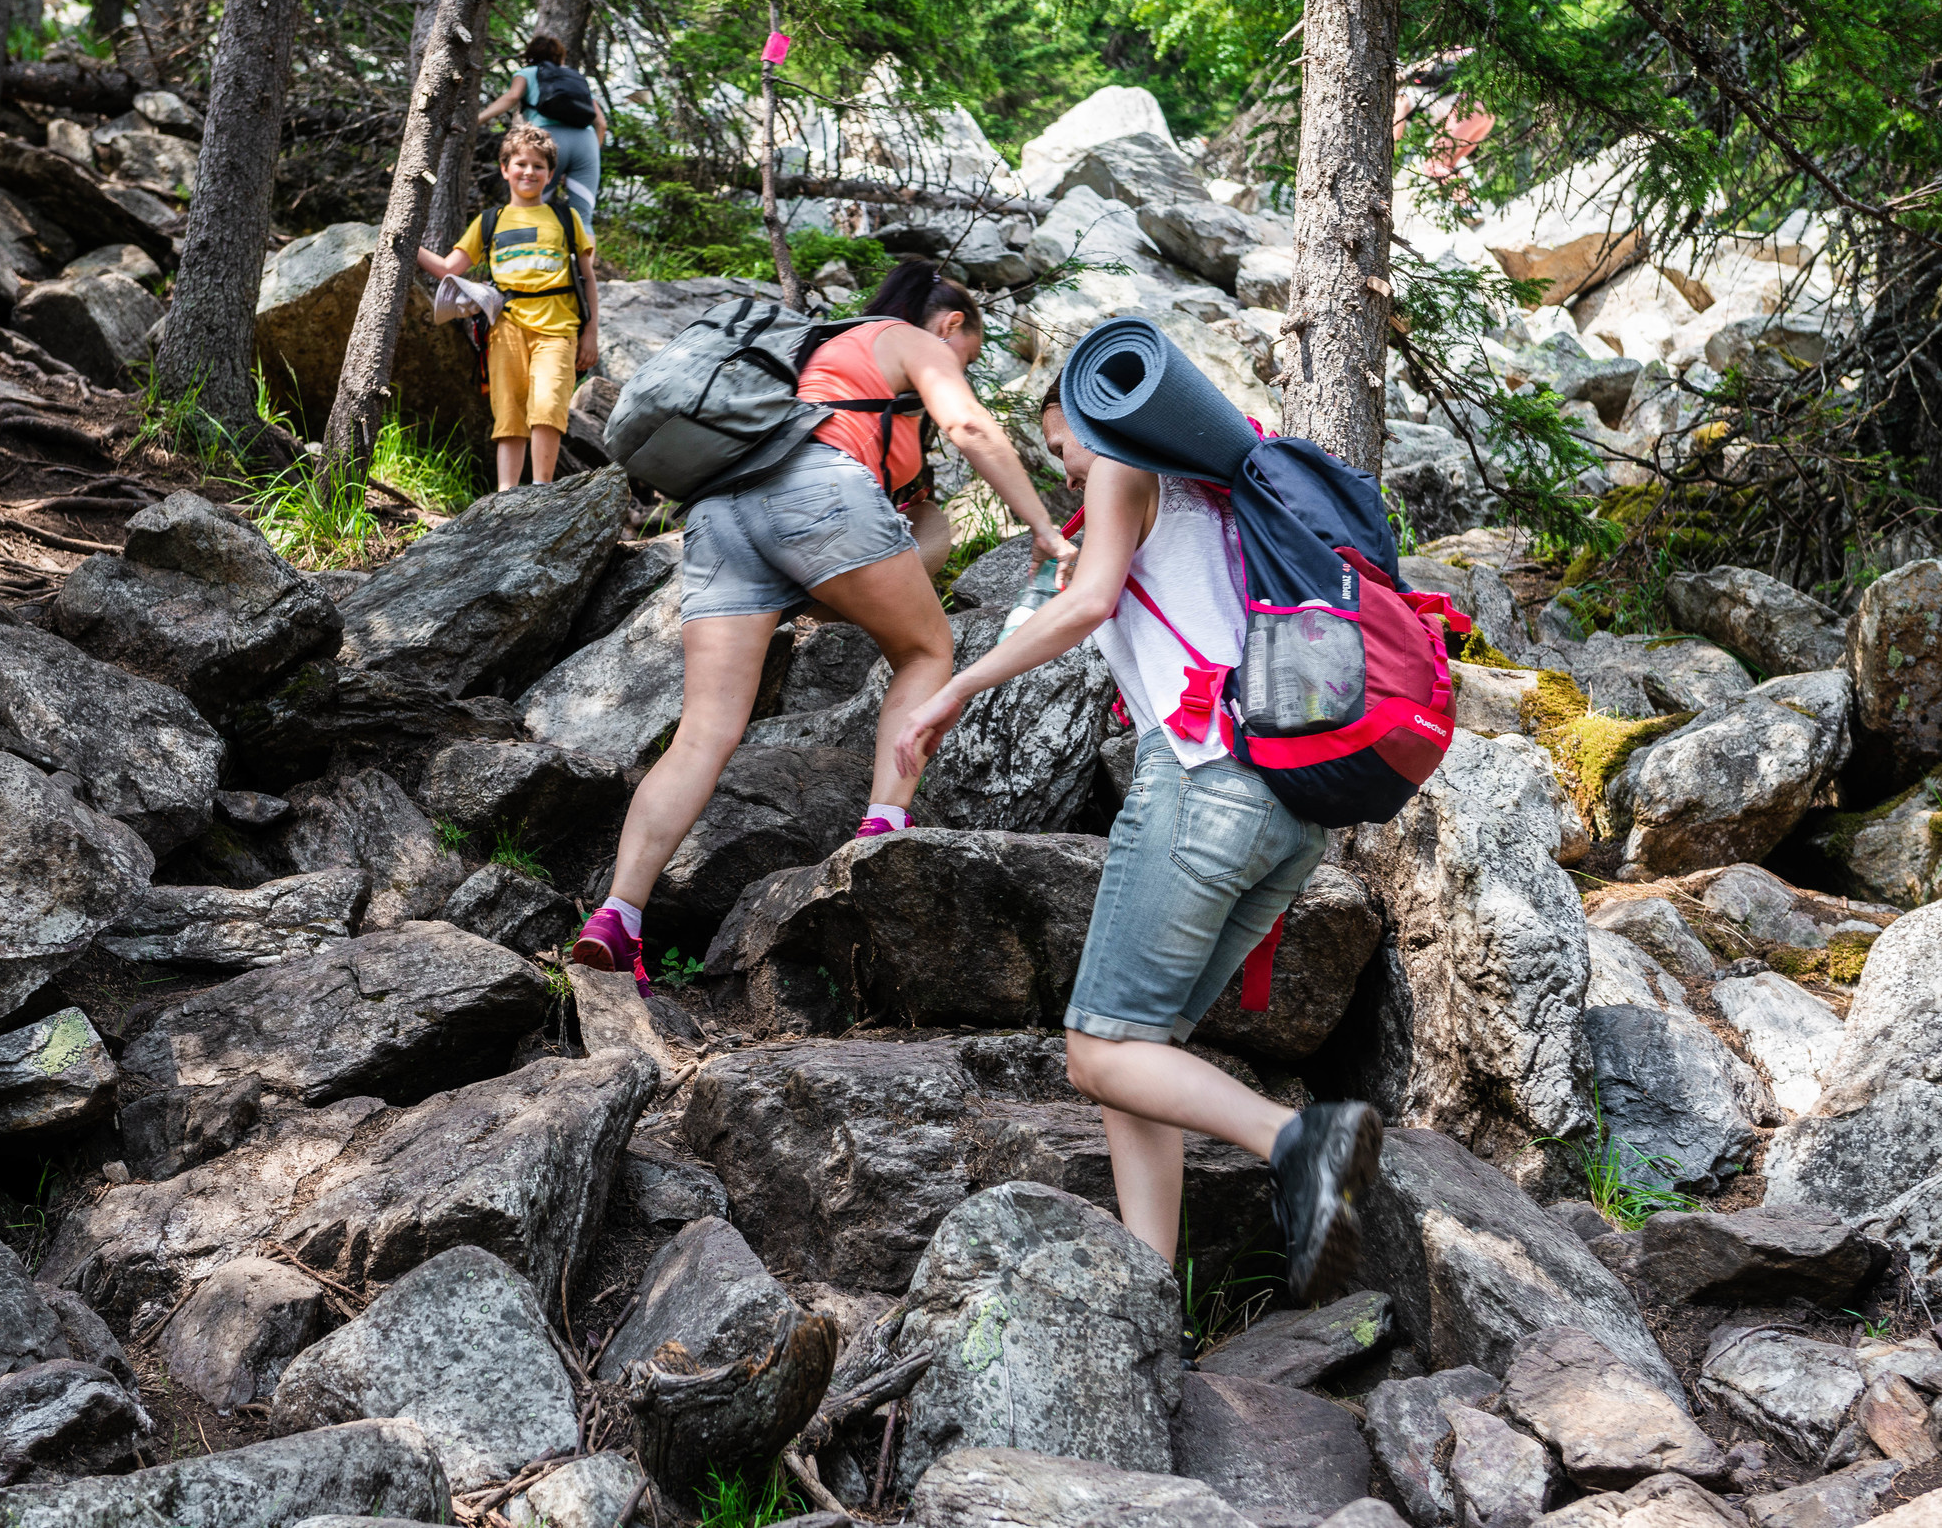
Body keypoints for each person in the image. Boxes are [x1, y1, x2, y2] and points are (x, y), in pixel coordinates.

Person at [892, 385, 1385, 1312]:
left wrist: (951, 690)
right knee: (1139, 1050)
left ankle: (1298, 1138)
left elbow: (1086, 606)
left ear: (1101, 415)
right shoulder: (1223, 492)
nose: (1066, 465)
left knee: (1095, 1051)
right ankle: (1148, 1294)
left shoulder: (1128, 460)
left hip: (1201, 779)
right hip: (1287, 807)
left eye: (1060, 443)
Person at [571, 262, 1074, 985]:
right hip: (814, 490)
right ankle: (882, 834)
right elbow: (967, 423)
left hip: (720, 509)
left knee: (705, 731)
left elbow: (921, 523)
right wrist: (1043, 527)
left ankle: (618, 916)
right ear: (953, 325)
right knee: (928, 652)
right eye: (968, 351)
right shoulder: (910, 339)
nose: (959, 367)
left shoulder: (822, 357)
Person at [417, 124, 598, 493]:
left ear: (551, 174)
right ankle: (506, 495)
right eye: (520, 164)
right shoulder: (490, 221)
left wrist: (590, 333)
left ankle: (542, 490)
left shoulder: (566, 219)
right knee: (509, 412)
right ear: (505, 169)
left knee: (548, 405)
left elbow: (588, 278)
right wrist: (401, 238)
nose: (529, 172)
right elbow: (449, 269)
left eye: (538, 166)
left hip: (559, 329)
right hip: (506, 328)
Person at [477, 34, 608, 219]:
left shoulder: (527, 73)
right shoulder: (575, 79)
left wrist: (477, 119)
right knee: (582, 218)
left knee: (530, 209)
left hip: (548, 141)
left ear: (531, 55)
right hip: (586, 142)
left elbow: (512, 97)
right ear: (561, 56)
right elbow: (601, 124)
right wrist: (591, 154)